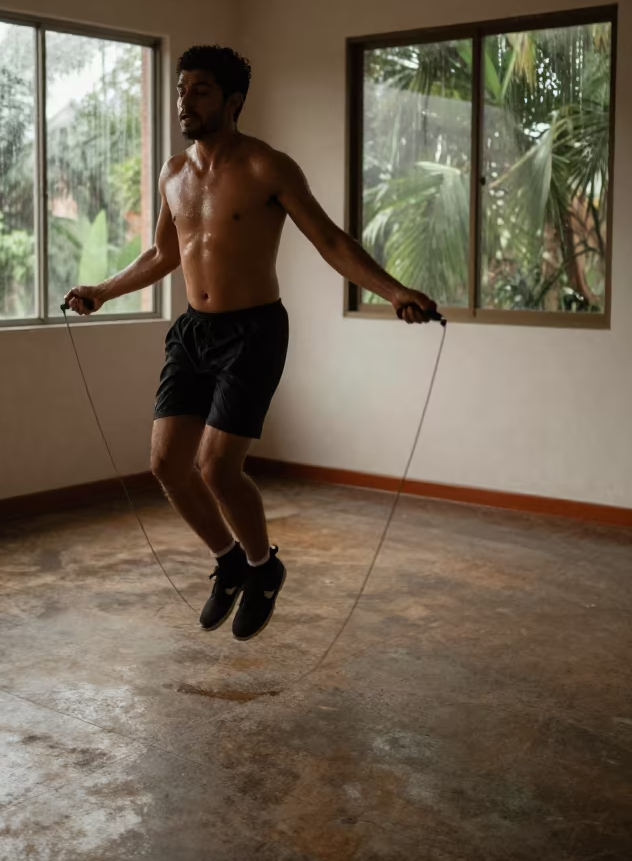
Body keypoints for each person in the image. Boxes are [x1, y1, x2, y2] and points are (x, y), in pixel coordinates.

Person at [64, 44, 437, 642]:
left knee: (215, 466)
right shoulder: (172, 173)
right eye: (182, 89)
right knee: (165, 463)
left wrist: (393, 291)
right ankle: (229, 560)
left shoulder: (268, 167)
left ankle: (264, 569)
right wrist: (103, 290)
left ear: (232, 101)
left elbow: (331, 241)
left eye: (201, 90)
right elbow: (163, 253)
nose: (185, 100)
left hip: (254, 332)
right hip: (193, 331)